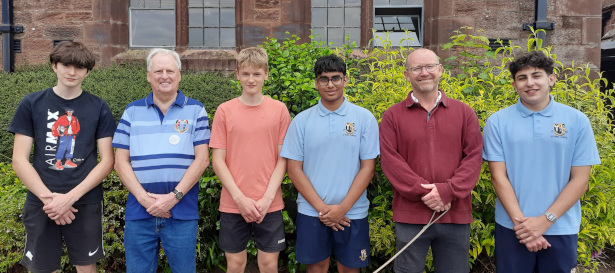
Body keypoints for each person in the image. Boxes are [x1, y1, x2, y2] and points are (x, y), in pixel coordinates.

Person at [482, 50, 601, 272]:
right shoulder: (497, 122)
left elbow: (580, 180)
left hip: (561, 226)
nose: (530, 83)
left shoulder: (577, 120)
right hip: (512, 227)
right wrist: (525, 227)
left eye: (536, 75)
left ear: (551, 79)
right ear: (514, 85)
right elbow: (498, 177)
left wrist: (544, 221)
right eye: (522, 78)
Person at [9, 41, 116, 273]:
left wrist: (69, 198)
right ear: (54, 66)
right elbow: (19, 159)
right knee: (41, 267)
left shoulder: (99, 107)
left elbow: (107, 161)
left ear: (87, 72)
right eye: (66, 65)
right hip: (41, 201)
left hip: (84, 201)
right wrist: (51, 200)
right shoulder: (31, 103)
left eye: (79, 67)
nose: (72, 72)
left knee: (87, 266)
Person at [379, 48, 483, 273]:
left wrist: (448, 192)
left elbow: (474, 157)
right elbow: (390, 161)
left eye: (429, 67)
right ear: (407, 75)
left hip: (454, 214)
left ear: (440, 70)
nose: (424, 72)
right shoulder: (392, 116)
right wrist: (426, 192)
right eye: (416, 68)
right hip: (410, 216)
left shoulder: (464, 113)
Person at [112, 48, 211, 273]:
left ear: (179, 75)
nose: (164, 75)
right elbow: (120, 162)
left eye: (170, 70)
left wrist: (173, 197)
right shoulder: (132, 111)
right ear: (148, 75)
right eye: (158, 70)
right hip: (139, 211)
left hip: (182, 211)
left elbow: (202, 159)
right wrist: (144, 199)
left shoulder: (196, 110)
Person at [281, 54, 380, 273]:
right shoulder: (301, 121)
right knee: (316, 268)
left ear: (345, 80)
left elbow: (368, 168)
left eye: (336, 78)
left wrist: (342, 208)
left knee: (350, 268)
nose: (330, 84)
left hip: (352, 212)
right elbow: (294, 170)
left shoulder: (364, 118)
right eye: (324, 79)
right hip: (312, 211)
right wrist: (323, 210)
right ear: (316, 83)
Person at [209, 47, 290, 273]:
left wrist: (266, 199)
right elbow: (218, 160)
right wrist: (240, 199)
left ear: (266, 74)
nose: (251, 79)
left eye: (256, 74)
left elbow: (282, 160)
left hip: (270, 203)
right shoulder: (225, 111)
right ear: (237, 75)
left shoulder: (279, 110)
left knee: (268, 264)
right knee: (235, 264)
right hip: (233, 203)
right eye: (246, 74)